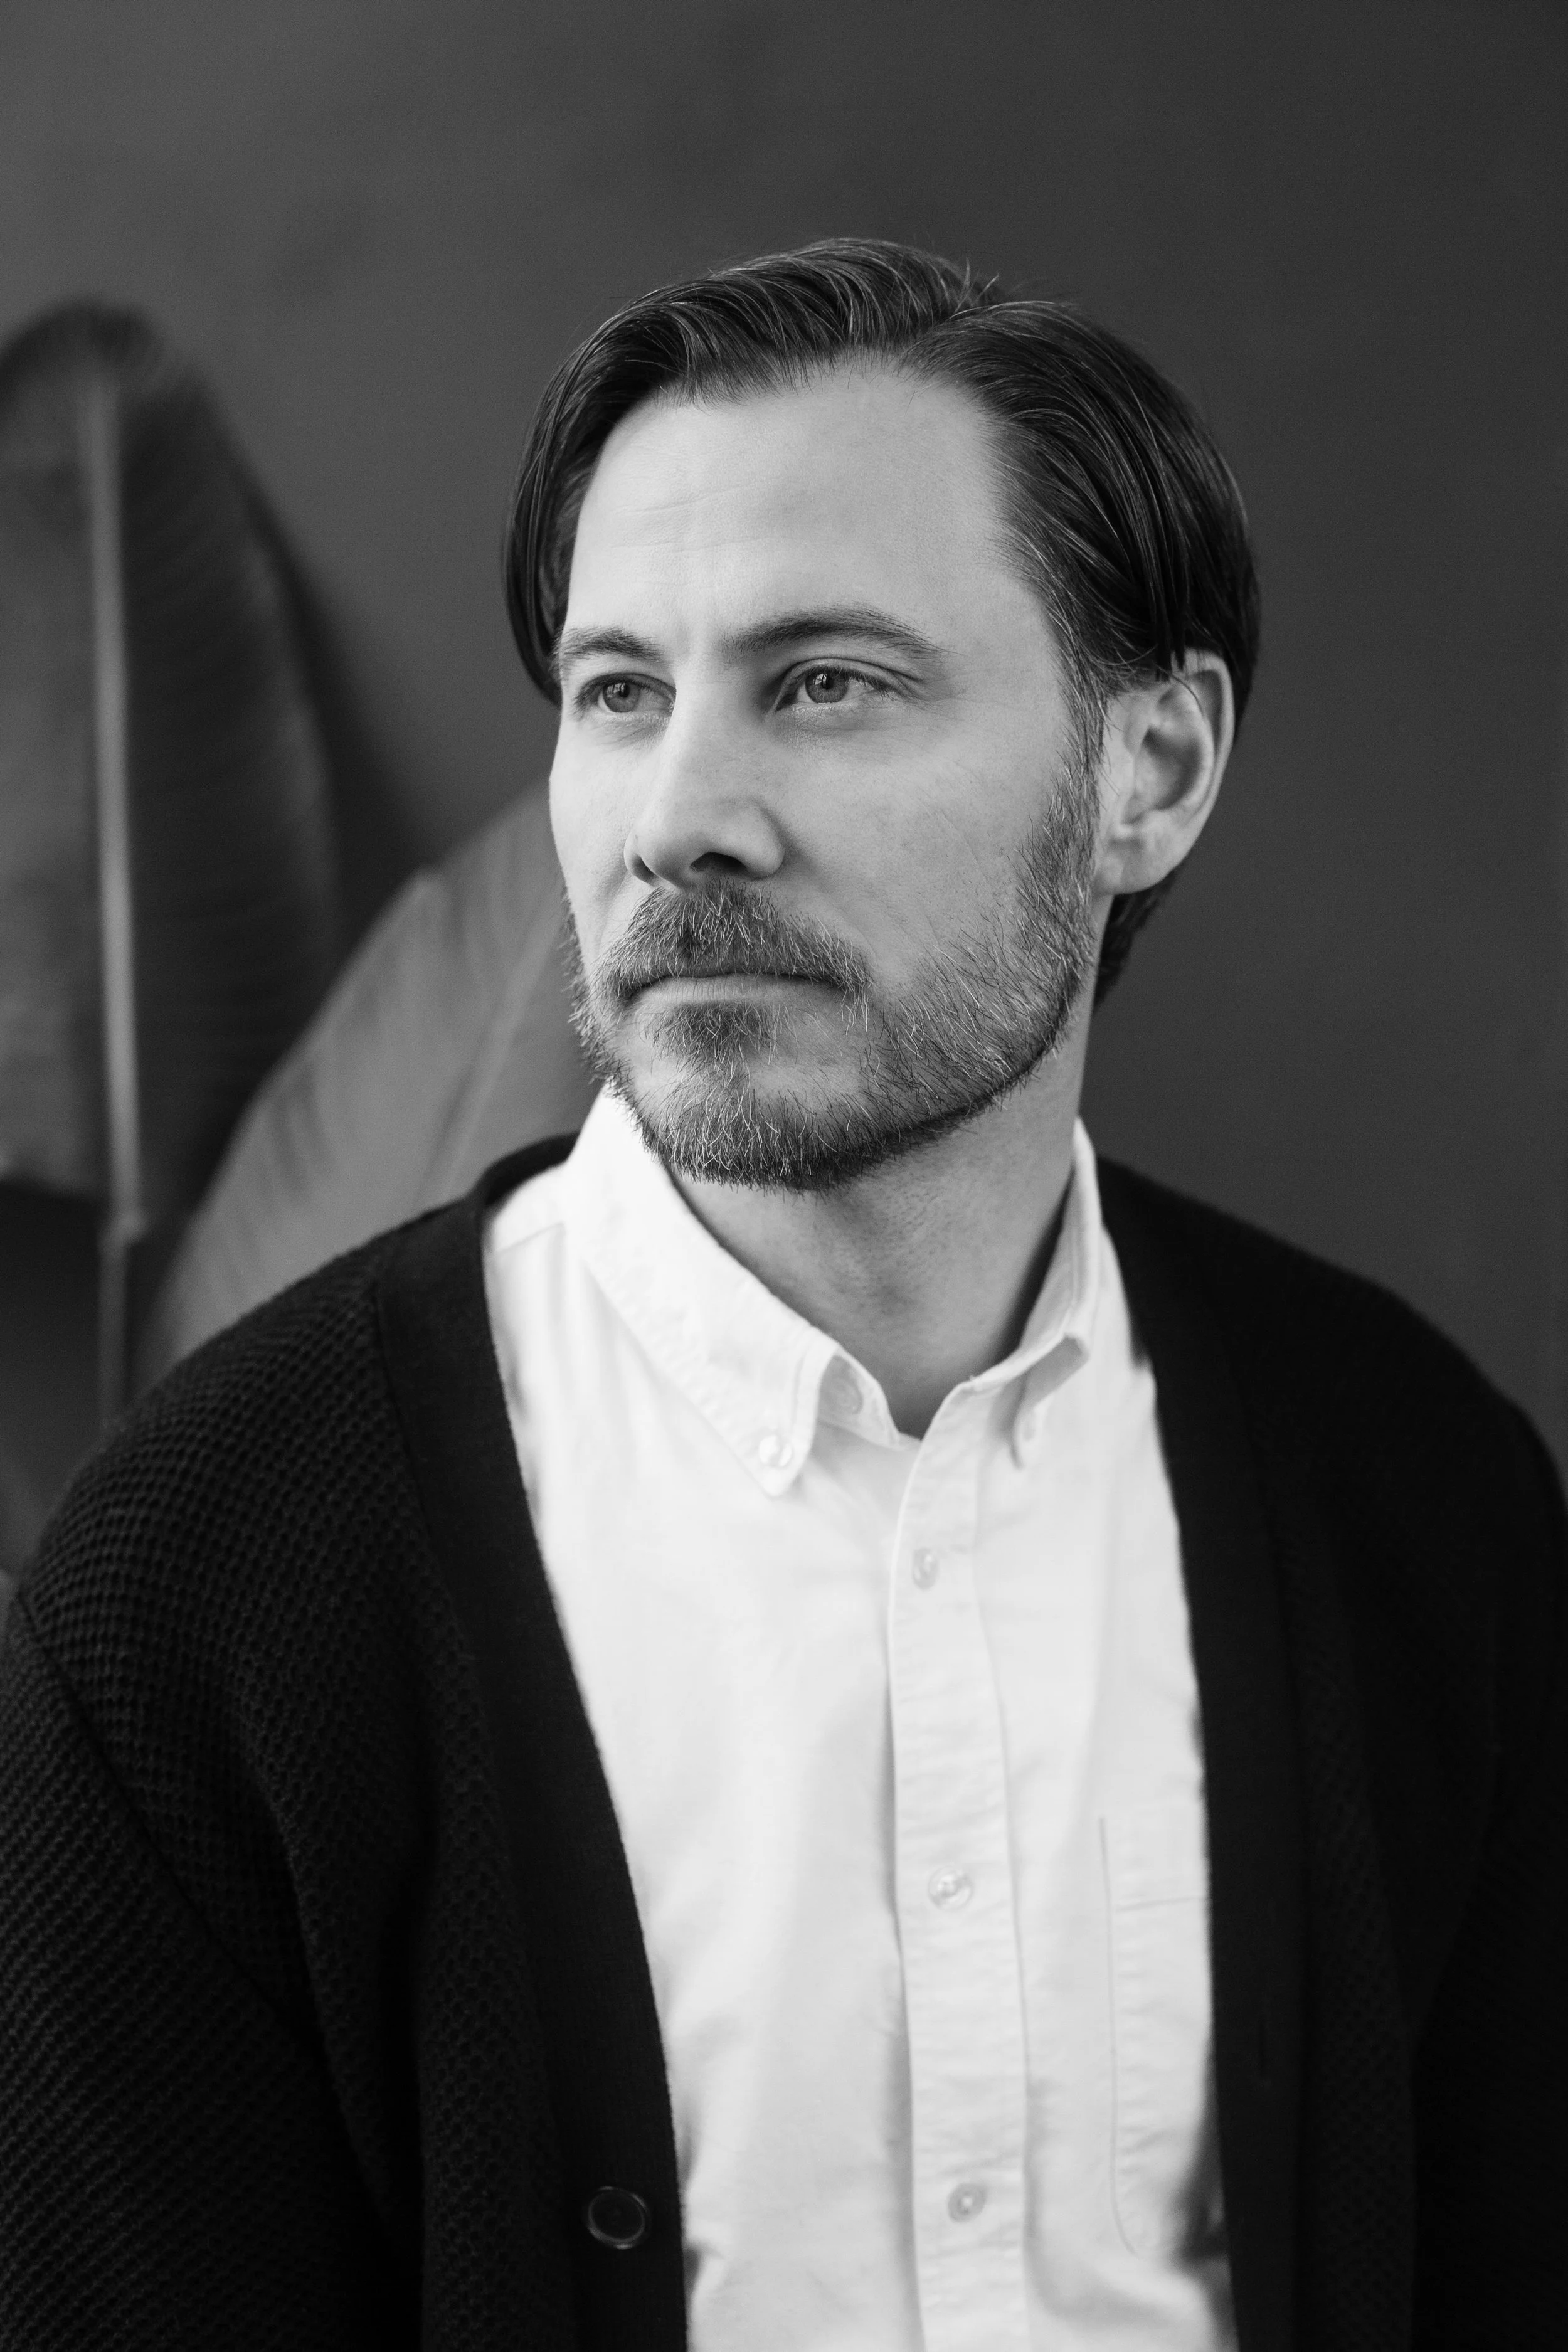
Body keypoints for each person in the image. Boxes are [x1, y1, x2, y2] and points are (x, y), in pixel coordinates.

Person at [1, 240, 1562, 2352]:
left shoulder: (1414, 1492)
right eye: (619, 691)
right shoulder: (202, 1582)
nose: (679, 818)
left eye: (826, 681)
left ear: (1152, 772)